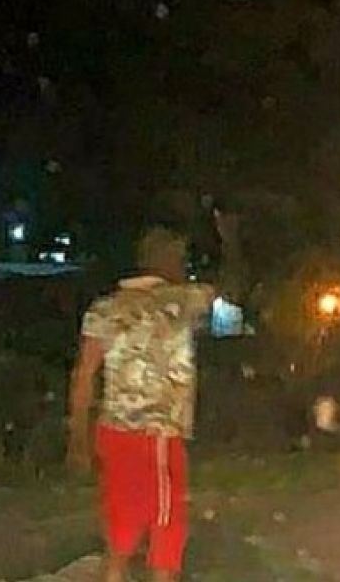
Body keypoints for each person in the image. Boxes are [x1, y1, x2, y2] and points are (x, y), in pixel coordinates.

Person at [67, 213, 241, 582]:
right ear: (165, 259)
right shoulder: (180, 302)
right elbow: (232, 289)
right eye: (180, 257)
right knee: (166, 540)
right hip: (157, 436)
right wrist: (231, 242)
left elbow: (83, 377)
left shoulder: (105, 309)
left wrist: (78, 440)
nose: (183, 265)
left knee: (120, 537)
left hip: (113, 435)